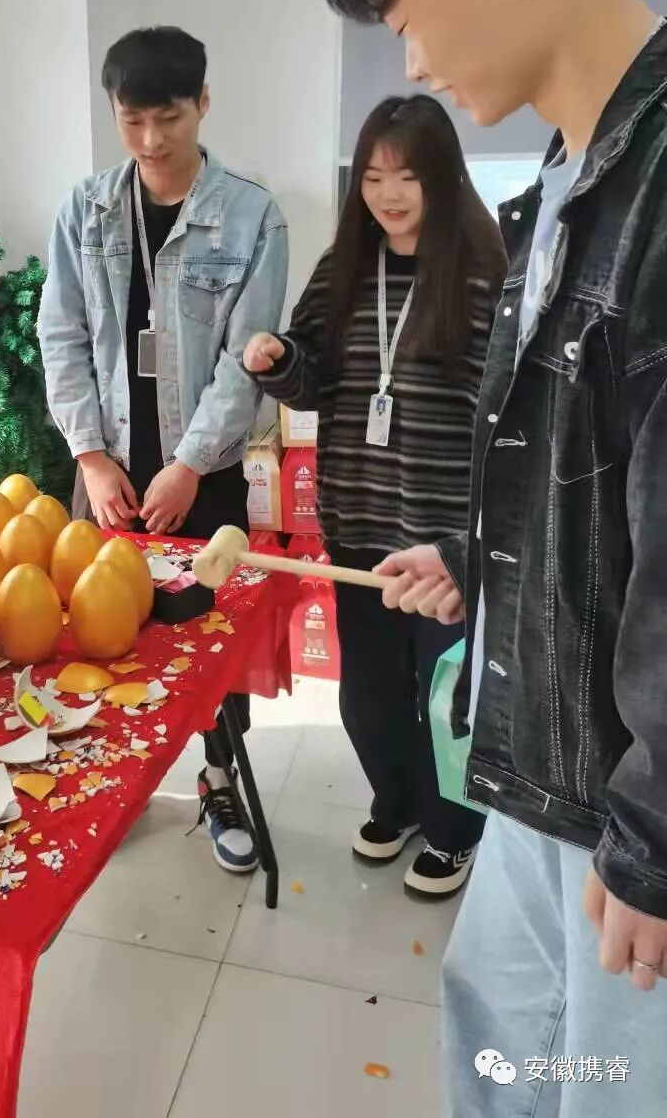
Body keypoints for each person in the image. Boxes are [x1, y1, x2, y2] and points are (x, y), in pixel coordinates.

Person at [302, 0, 667, 1113]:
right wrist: (474, 557)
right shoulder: (561, 182)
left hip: (629, 802)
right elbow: (591, 470)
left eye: (405, 16)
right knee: (501, 1050)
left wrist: (655, 839)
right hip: (539, 762)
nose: (409, 65)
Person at [38, 27, 288, 873]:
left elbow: (247, 358)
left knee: (208, 643)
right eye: (132, 119)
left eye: (169, 118)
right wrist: (88, 454)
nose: (150, 140)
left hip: (202, 476)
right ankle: (113, 779)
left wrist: (187, 465)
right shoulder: (86, 210)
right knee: (101, 634)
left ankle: (219, 779)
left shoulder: (252, 215)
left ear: (203, 104)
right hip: (105, 468)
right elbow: (61, 334)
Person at [245, 95, 505, 898]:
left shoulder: (482, 274)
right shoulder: (345, 269)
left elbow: (507, 412)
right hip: (359, 524)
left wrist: (478, 540)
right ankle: (396, 802)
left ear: (443, 179)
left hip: (441, 541)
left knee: (446, 699)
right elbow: (313, 377)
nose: (389, 194)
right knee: (368, 698)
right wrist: (278, 361)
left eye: (408, 177)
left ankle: (455, 831)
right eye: (373, 176)